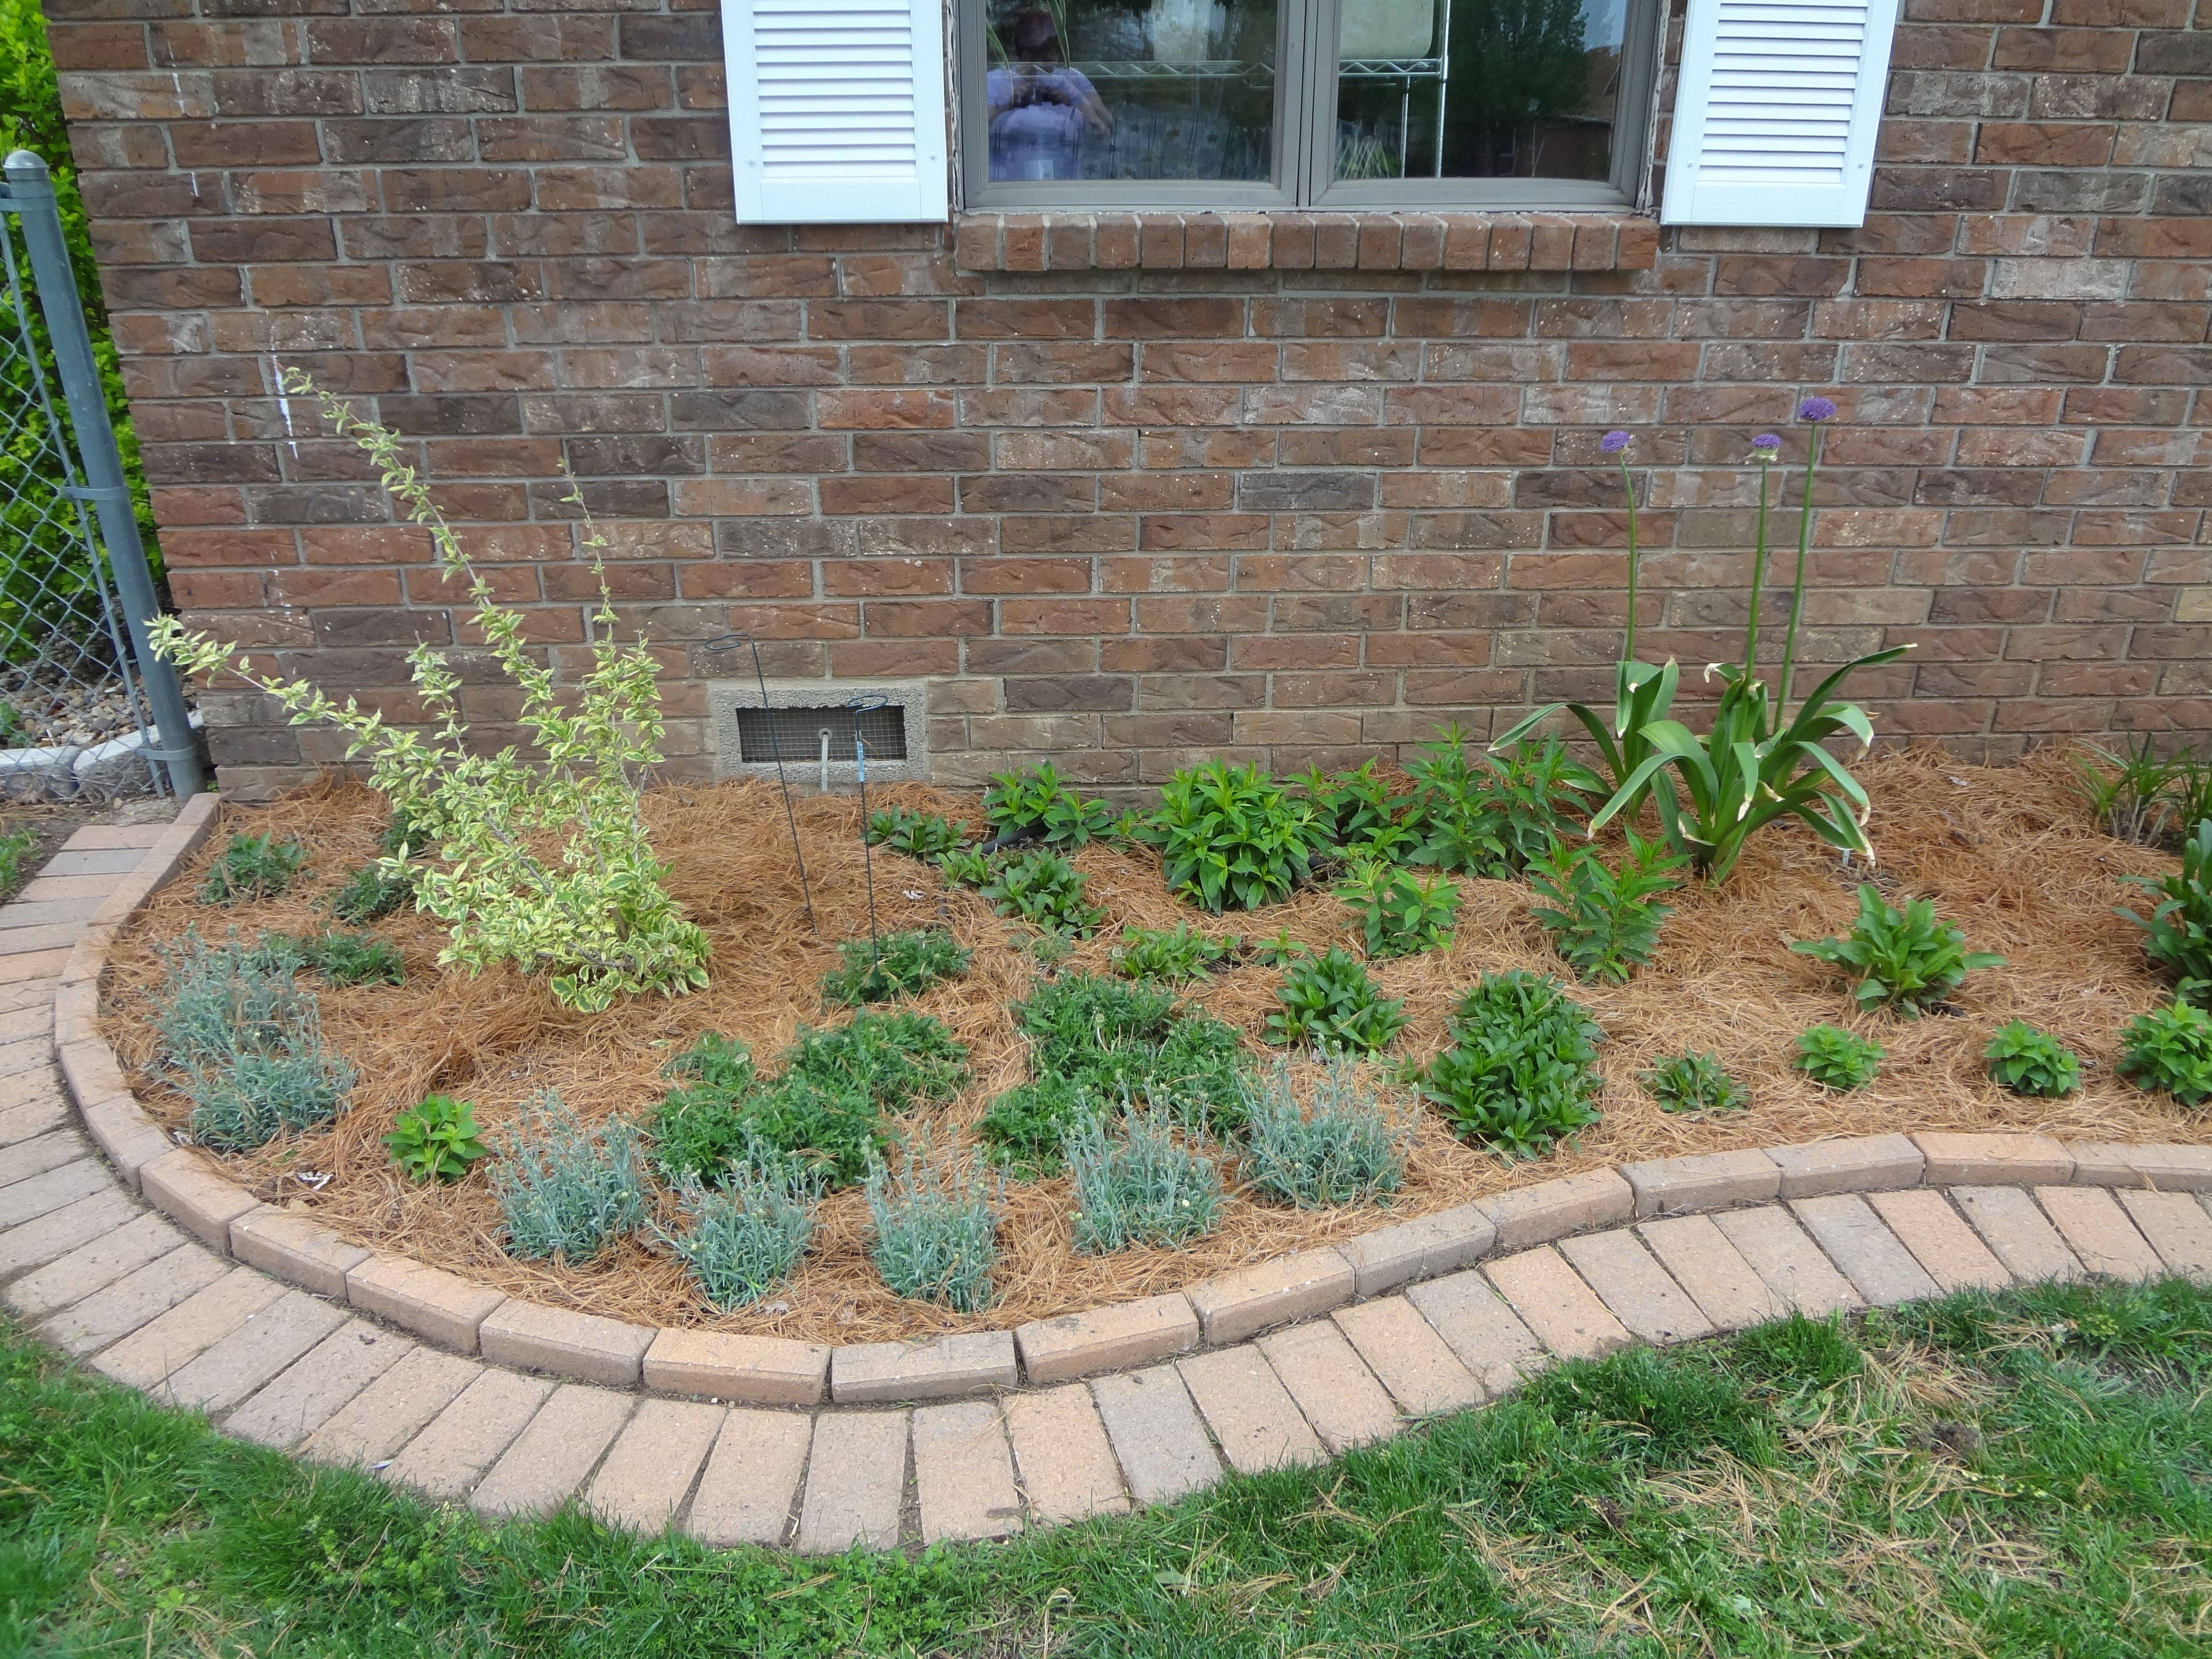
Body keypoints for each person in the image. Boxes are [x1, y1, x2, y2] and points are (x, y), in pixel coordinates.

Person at [987, 8, 1113, 181]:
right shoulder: (996, 80)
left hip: (1064, 188)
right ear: (1023, 54)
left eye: (1051, 56)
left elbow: (1106, 126)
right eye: (1036, 55)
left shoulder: (1071, 78)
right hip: (1006, 188)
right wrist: (1008, 105)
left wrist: (1073, 100)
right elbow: (973, 134)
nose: (1045, 65)